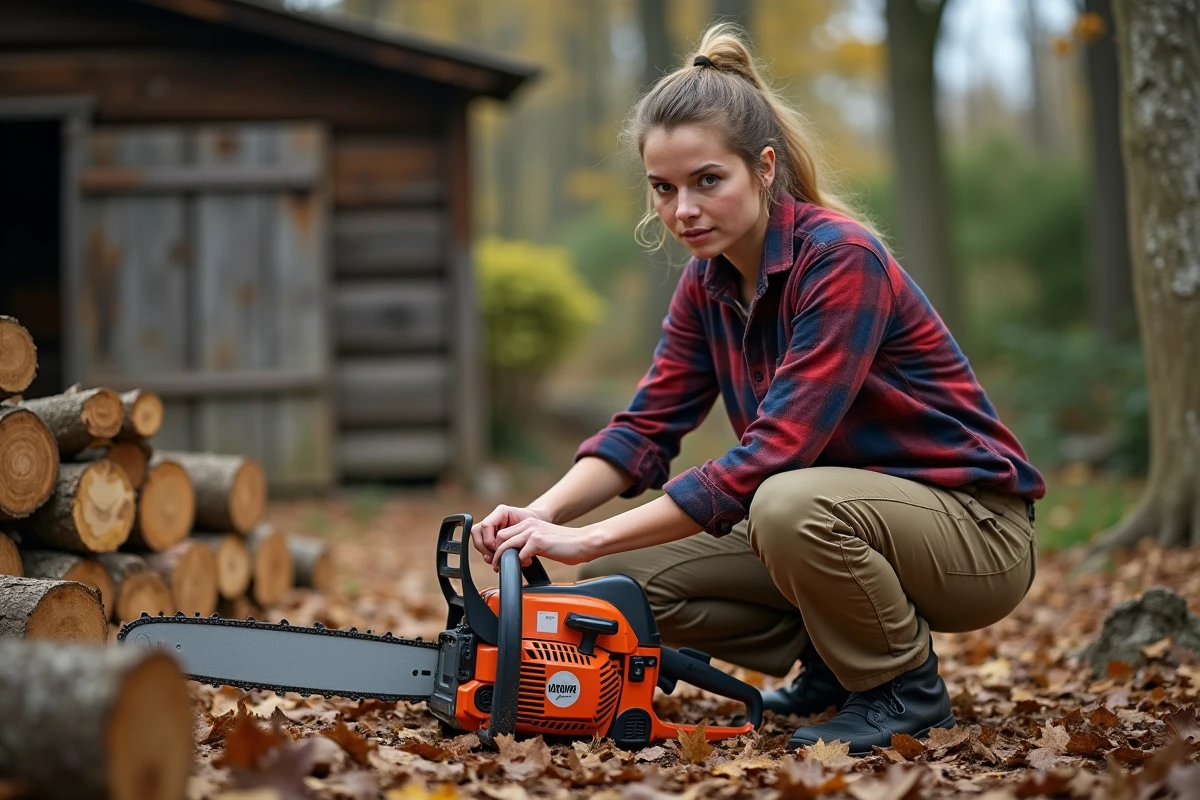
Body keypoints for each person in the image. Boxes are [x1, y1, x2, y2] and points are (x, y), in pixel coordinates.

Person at [470, 23, 1045, 754]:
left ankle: (904, 691)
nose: (683, 210)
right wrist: (542, 513)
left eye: (708, 181)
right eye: (664, 188)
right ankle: (836, 663)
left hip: (975, 533)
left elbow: (774, 454)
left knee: (783, 498)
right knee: (617, 584)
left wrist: (583, 536)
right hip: (833, 521)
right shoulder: (705, 285)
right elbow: (643, 430)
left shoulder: (842, 261)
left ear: (764, 168)